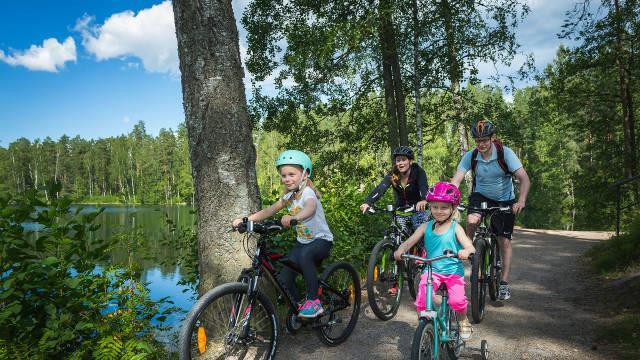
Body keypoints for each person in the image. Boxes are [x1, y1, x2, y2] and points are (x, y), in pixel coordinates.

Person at [232, 150, 333, 318]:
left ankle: (314, 302)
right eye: (283, 175)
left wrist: (295, 217)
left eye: (292, 174)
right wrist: (246, 220)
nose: (287, 178)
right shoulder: (288, 196)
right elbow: (269, 211)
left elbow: (310, 208)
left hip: (321, 241)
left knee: (305, 256)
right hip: (303, 243)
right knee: (285, 278)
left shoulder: (308, 192)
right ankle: (299, 309)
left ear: (305, 174)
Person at [451, 120, 531, 300]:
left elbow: (525, 179)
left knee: (504, 240)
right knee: (472, 220)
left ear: (492, 138)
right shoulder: (471, 156)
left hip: (504, 199)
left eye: (485, 140)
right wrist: (450, 199)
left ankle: (503, 283)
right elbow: (456, 180)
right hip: (480, 195)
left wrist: (521, 201)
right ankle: (470, 250)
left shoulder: (505, 153)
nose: (481, 144)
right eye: (478, 140)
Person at [393, 181, 475, 340]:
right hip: (432, 272)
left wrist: (466, 251)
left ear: (453, 209)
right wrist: (401, 249)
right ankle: (427, 327)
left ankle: (463, 320)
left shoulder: (456, 227)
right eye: (435, 206)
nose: (439, 211)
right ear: (429, 207)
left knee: (457, 301)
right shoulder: (425, 226)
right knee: (422, 300)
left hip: (452, 273)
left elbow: (469, 246)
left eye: (444, 207)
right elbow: (409, 241)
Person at [360, 146, 429, 295]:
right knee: (395, 240)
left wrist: (423, 200)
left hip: (418, 208)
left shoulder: (418, 172)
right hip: (401, 209)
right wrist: (368, 202)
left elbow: (424, 187)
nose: (400, 163)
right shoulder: (393, 175)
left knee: (420, 228)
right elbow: (380, 188)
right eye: (398, 160)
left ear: (410, 161)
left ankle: (422, 256)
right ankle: (395, 281)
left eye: (403, 160)